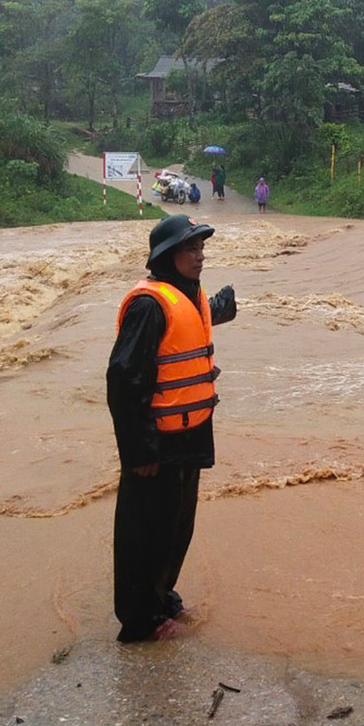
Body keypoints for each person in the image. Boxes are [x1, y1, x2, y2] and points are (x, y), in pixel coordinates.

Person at [107, 214, 237, 642]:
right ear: (167, 256)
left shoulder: (189, 293)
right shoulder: (148, 306)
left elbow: (198, 321)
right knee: (144, 531)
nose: (200, 257)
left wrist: (225, 306)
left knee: (176, 526)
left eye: (201, 249)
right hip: (156, 443)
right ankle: (138, 621)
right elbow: (124, 381)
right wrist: (139, 453)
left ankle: (161, 598)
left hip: (189, 434)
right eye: (190, 250)